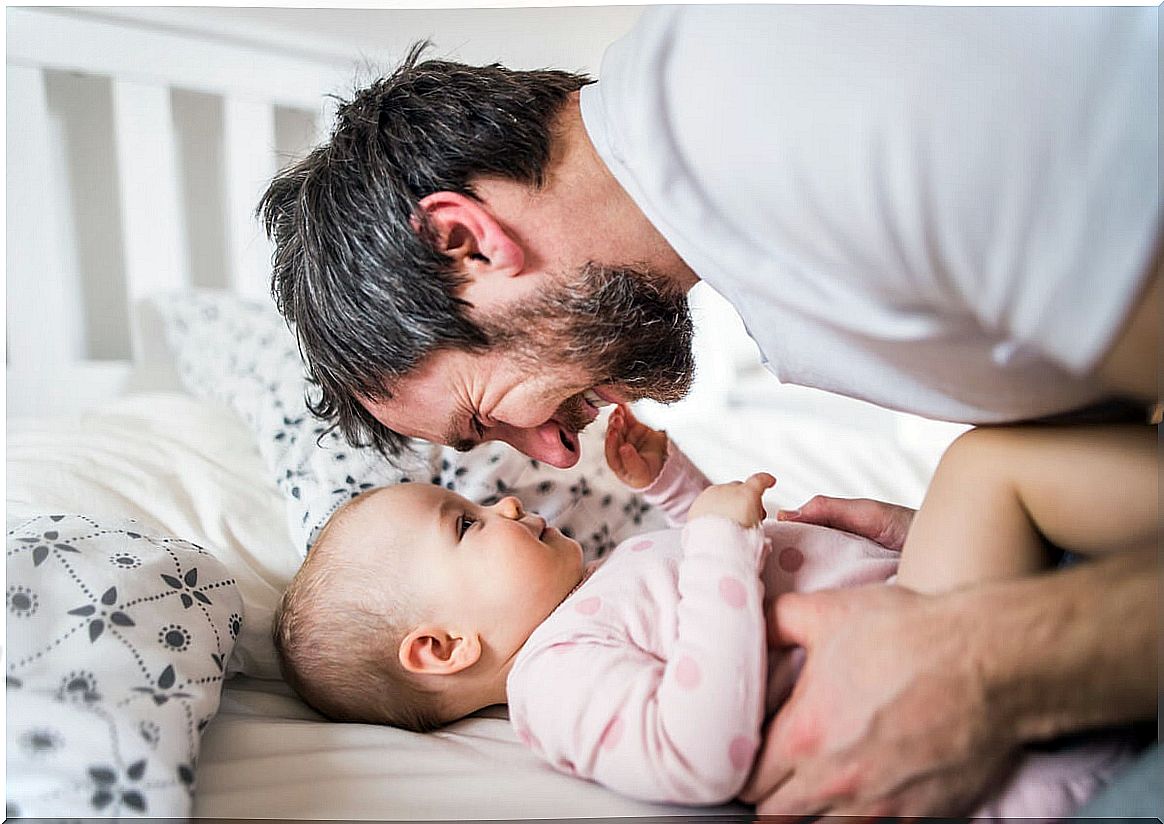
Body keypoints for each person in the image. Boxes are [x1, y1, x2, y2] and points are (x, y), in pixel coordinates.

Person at [258, 6, 1159, 814]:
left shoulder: (809, 128)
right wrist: (934, 543)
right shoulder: (741, 213)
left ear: (466, 241)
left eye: (485, 414)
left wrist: (982, 659)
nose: (553, 459)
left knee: (986, 467)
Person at [273, 405, 1152, 816]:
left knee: (1016, 456)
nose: (503, 505)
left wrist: (675, 486)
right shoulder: (555, 681)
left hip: (949, 616)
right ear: (442, 647)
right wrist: (721, 540)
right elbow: (698, 748)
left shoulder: (594, 599)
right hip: (940, 669)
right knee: (985, 463)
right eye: (464, 526)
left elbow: (701, 600)